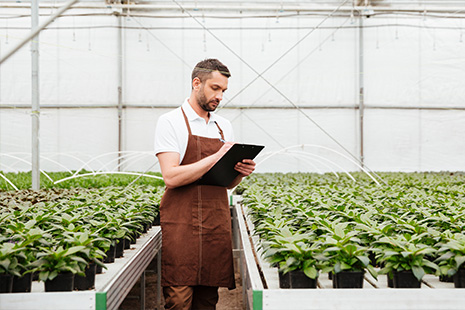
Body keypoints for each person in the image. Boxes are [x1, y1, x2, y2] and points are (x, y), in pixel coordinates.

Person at [154, 58, 256, 310]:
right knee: (179, 300)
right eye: (215, 88)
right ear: (196, 83)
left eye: (223, 91)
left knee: (208, 300)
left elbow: (226, 184)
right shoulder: (170, 122)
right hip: (181, 225)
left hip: (213, 222)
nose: (219, 96)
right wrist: (216, 157)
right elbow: (171, 176)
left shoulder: (224, 126)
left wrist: (241, 172)